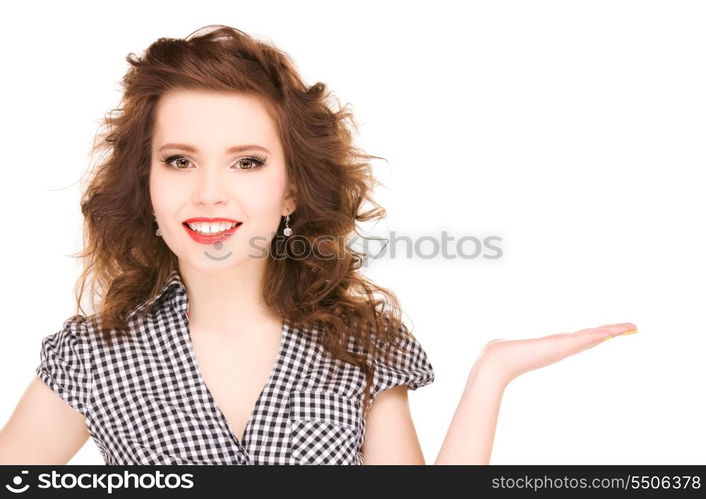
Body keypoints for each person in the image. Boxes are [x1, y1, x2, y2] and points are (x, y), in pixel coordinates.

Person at [0, 25, 637, 465]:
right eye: (179, 161)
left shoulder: (363, 348)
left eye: (247, 162)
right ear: (147, 185)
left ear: (291, 192)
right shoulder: (91, 357)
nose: (210, 194)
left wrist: (491, 372)